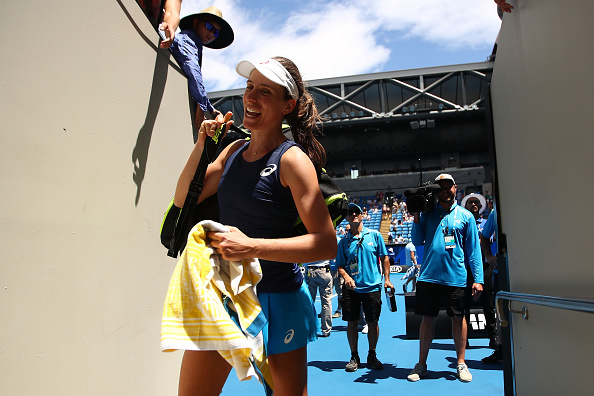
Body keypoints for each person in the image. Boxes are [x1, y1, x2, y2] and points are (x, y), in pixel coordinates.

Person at [173, 56, 337, 396]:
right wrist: (202, 145)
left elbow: (325, 244)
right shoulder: (232, 149)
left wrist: (252, 247)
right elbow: (182, 197)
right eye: (249, 87)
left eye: (264, 91)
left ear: (287, 105)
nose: (250, 98)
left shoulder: (292, 160)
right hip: (225, 297)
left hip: (279, 300)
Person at [407, 174, 483, 383]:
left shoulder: (466, 216)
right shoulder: (428, 213)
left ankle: (461, 363)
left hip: (456, 277)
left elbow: (474, 251)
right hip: (429, 277)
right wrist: (416, 215)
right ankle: (421, 365)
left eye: (448, 187)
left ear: (455, 189)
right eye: (440, 187)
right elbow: (416, 240)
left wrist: (478, 279)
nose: (445, 190)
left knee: (458, 318)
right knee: (427, 319)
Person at [336, 203, 394, 372]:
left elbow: (384, 258)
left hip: (372, 287)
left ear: (362, 215)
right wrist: (346, 277)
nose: (353, 214)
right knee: (352, 323)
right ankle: (354, 356)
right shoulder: (344, 242)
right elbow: (340, 265)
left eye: (357, 212)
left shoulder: (374, 235)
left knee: (373, 321)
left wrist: (387, 279)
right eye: (350, 213)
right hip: (352, 289)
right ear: (346, 217)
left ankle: (372, 354)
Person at [167, 6, 234, 138]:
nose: (211, 33)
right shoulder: (188, 39)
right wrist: (201, 106)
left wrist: (212, 110)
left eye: (216, 33)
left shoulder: (195, 44)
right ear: (196, 23)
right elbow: (193, 70)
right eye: (209, 26)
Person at [461, 193, 498, 351]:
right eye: (470, 202)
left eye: (476, 202)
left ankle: (493, 337)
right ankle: (464, 338)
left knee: (489, 304)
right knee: (465, 305)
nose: (473, 204)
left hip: (484, 267)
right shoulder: (461, 224)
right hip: (465, 268)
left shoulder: (486, 222)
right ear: (466, 206)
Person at [479, 208, 503, 364]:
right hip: (503, 271)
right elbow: (485, 236)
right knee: (501, 311)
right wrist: (488, 256)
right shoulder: (495, 212)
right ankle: (500, 347)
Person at [305, 260, 333, 337]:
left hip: (310, 271)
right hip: (324, 270)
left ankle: (309, 329)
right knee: (326, 302)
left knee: (309, 302)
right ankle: (326, 329)